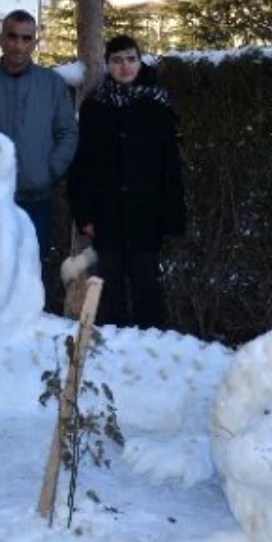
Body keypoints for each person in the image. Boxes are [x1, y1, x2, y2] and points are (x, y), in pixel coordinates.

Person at [66, 35, 186, 328]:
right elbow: (81, 165)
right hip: (106, 216)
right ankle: (115, 354)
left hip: (147, 214)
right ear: (108, 64)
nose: (125, 66)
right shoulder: (95, 106)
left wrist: (172, 217)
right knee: (110, 293)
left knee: (148, 289)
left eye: (131, 58)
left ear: (140, 60)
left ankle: (151, 350)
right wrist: (84, 215)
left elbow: (170, 165)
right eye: (117, 60)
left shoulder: (158, 105)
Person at [0, 10, 78, 262]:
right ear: (1, 39)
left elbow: (67, 132)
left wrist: (50, 171)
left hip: (36, 200)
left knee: (31, 273)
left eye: (26, 39)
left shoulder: (52, 84)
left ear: (35, 43)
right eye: (12, 37)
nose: (18, 45)